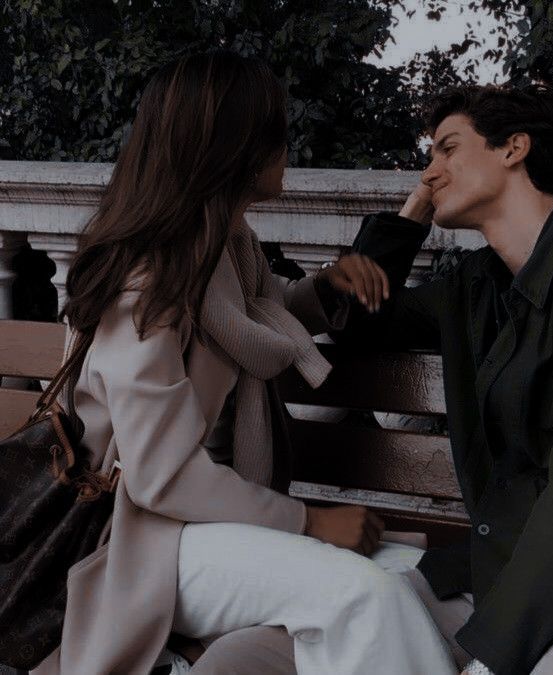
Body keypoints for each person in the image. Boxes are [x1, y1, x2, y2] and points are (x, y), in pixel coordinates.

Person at [30, 50, 457, 675]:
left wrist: (326, 290)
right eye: (275, 131)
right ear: (235, 147)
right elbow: (161, 479)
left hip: (219, 519)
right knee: (366, 596)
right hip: (144, 539)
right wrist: (309, 521)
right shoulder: (147, 279)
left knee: (414, 576)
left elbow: (254, 321)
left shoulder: (226, 246)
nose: (288, 145)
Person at [332, 84, 553, 674]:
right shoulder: (474, 284)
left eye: (447, 149)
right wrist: (413, 211)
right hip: (503, 574)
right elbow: (360, 325)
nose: (430, 171)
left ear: (514, 148)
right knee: (276, 642)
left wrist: (491, 656)